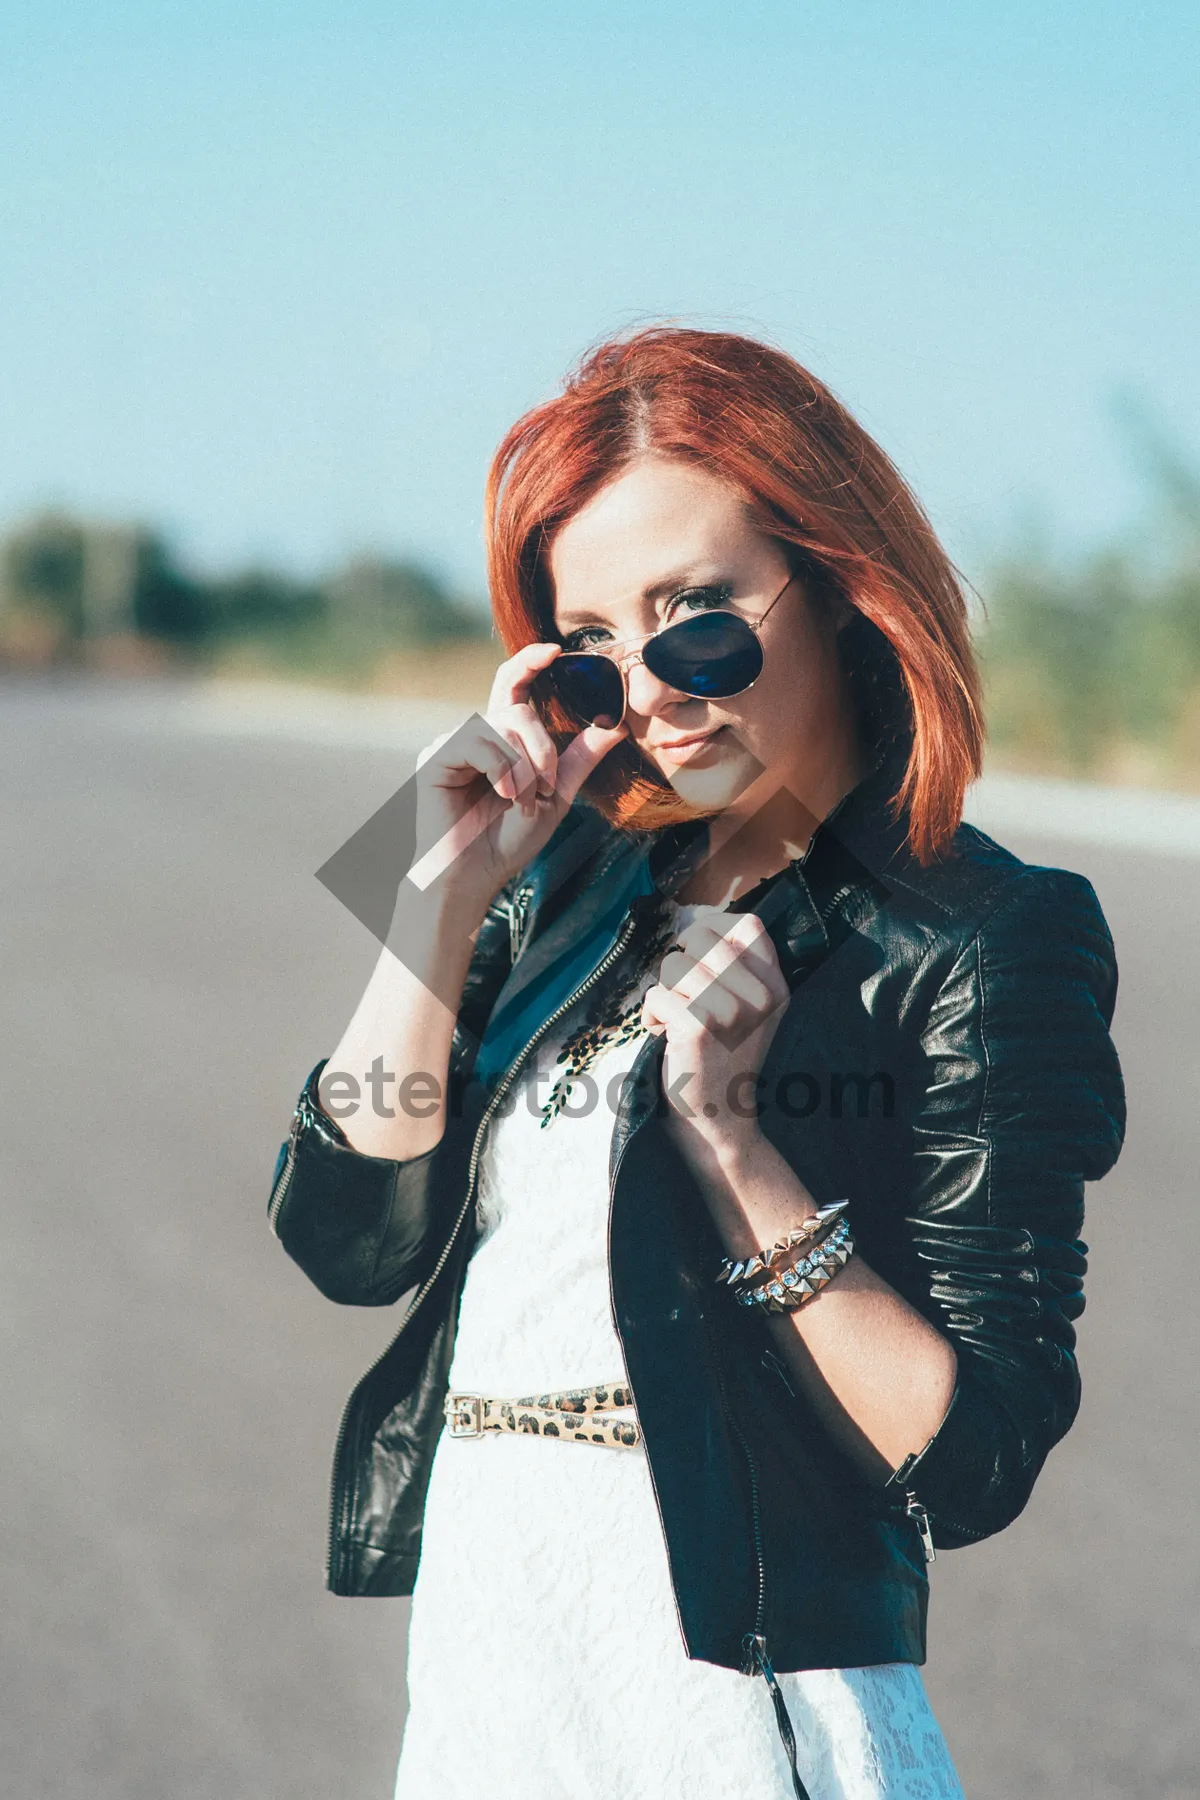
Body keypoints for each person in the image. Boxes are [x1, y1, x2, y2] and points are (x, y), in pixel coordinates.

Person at [268, 327, 1127, 1799]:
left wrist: (739, 1154)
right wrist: (432, 914)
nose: (652, 693)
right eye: (591, 649)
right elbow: (341, 1239)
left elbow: (979, 1456)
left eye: (697, 616)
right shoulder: (554, 877)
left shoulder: (987, 931)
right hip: (488, 1642)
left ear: (844, 584)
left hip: (730, 1687)